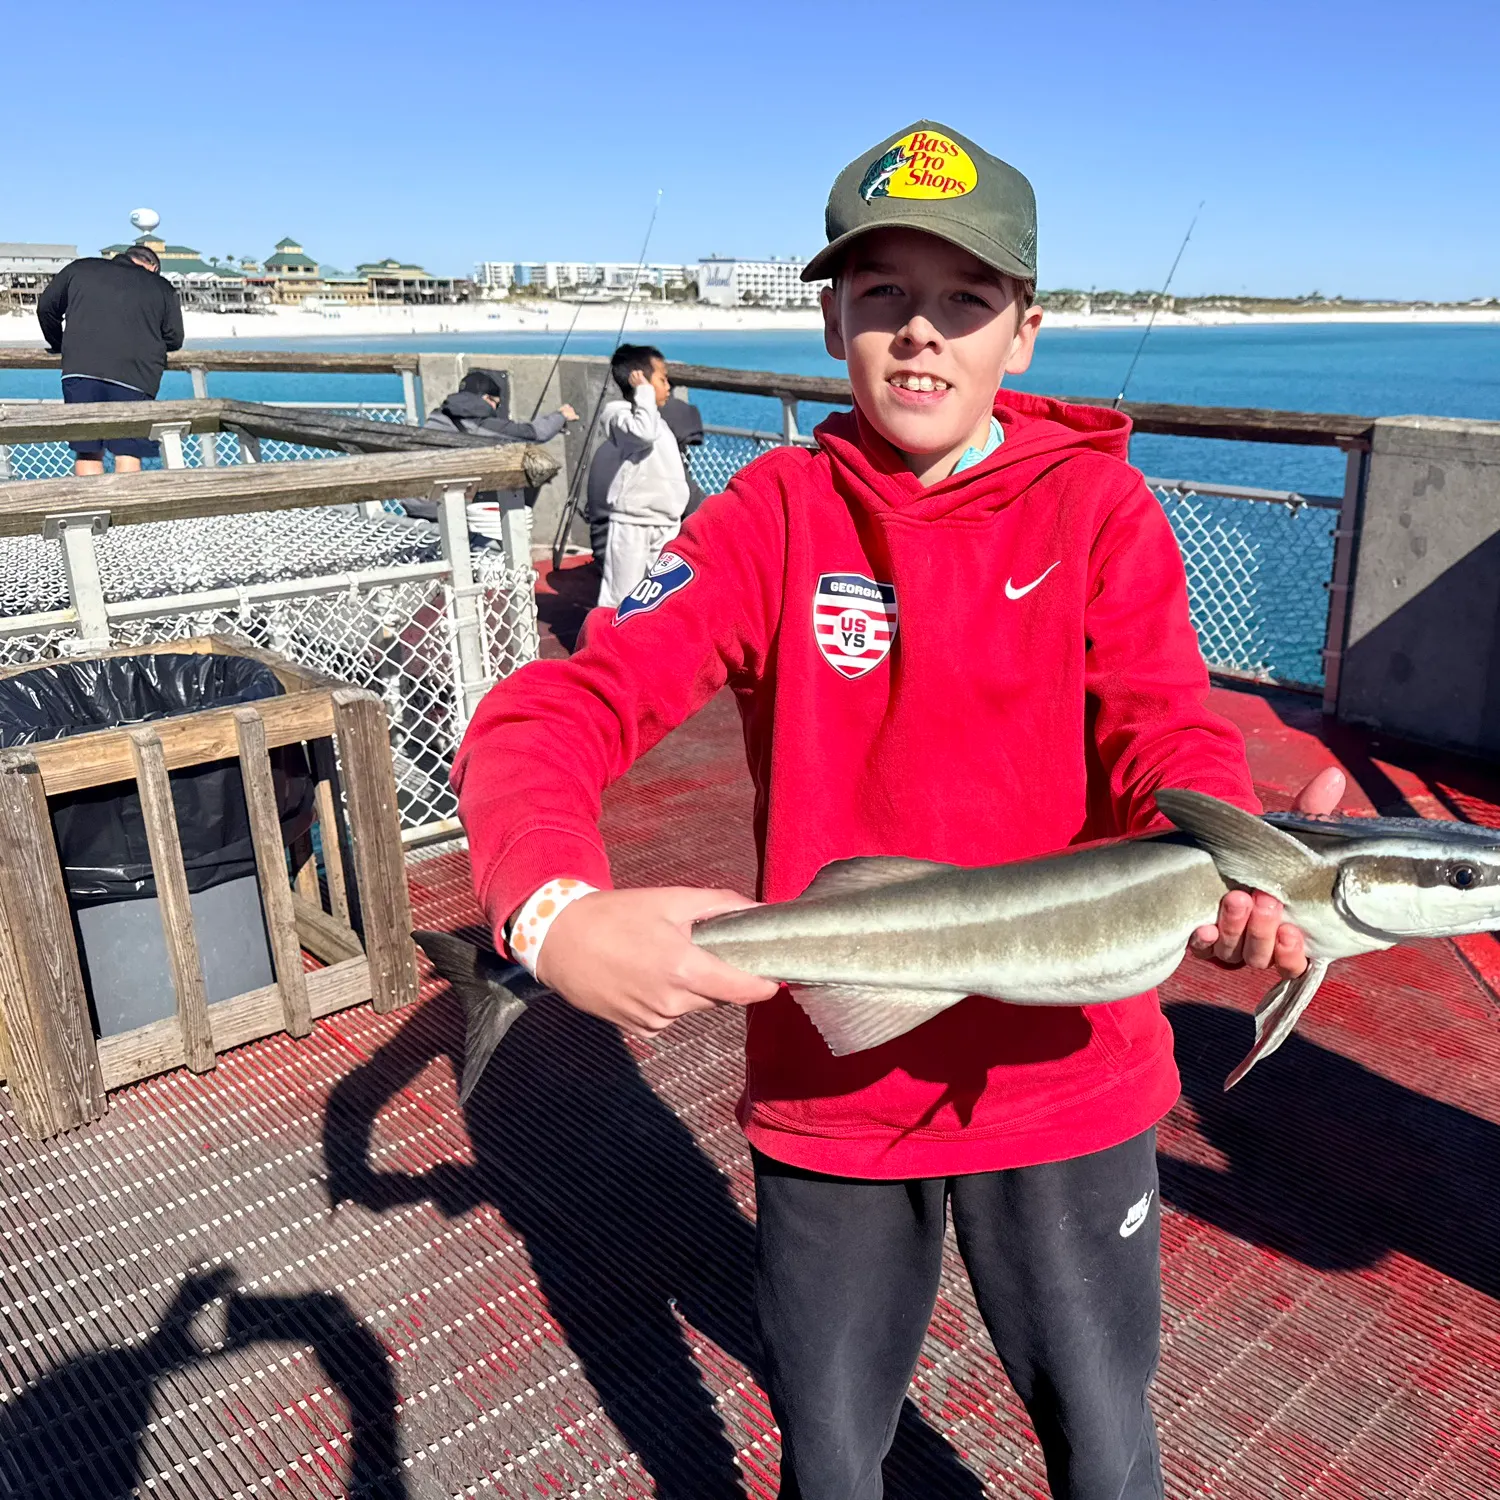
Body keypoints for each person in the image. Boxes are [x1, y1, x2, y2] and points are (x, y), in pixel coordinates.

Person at [452, 120, 1345, 1500]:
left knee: (1108, 1447)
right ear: (832, 323)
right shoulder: (770, 515)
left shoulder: (1101, 513)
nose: (921, 338)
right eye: (883, 300)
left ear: (1025, 334)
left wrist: (1234, 846)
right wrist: (553, 908)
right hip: (835, 1083)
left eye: (964, 303)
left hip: (1070, 1081)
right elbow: (556, 713)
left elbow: (1165, 731)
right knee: (832, 1450)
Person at [36, 244, 184, 477]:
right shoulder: (161, 286)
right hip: (137, 374)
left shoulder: (81, 268)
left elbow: (46, 308)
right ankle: (125, 509)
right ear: (153, 267)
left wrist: (59, 344)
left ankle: (91, 508)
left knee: (88, 450)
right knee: (128, 450)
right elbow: (174, 339)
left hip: (80, 370)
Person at [423, 368, 577, 543]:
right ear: (486, 399)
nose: (496, 409)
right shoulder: (482, 425)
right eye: (496, 403)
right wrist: (561, 416)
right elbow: (534, 433)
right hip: (439, 505)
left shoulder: (437, 416)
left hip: (414, 499)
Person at [589, 344, 690, 607]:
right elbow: (642, 433)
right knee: (621, 595)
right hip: (633, 522)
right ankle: (607, 646)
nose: (668, 386)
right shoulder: (617, 415)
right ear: (640, 379)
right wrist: (643, 391)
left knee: (664, 598)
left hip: (665, 522)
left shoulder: (659, 422)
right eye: (662, 379)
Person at [587, 390, 706, 569]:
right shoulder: (656, 462)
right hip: (636, 561)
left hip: (603, 553)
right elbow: (699, 510)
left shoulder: (608, 447)